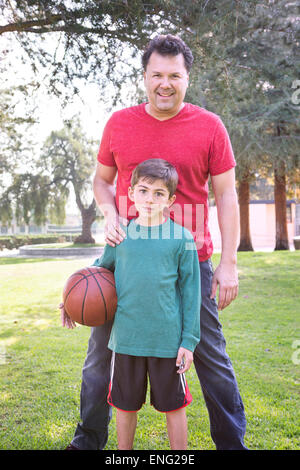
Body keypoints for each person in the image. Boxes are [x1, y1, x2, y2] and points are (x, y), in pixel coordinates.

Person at [63, 34, 247, 450]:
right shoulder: (120, 123)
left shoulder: (210, 126)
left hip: (189, 261)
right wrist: (111, 214)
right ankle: (88, 440)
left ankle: (232, 444)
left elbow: (226, 195)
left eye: (175, 75)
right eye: (157, 75)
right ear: (145, 76)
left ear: (187, 78)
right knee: (99, 359)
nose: (165, 83)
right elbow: (101, 181)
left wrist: (229, 262)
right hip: (126, 260)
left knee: (211, 359)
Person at [92, 158, 200, 450]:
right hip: (127, 340)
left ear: (171, 200)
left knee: (174, 406)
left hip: (167, 342)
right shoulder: (120, 236)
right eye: (143, 190)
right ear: (130, 193)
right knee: (125, 407)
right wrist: (68, 301)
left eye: (159, 193)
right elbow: (99, 274)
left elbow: (192, 294)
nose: (149, 199)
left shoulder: (182, 239)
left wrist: (188, 342)